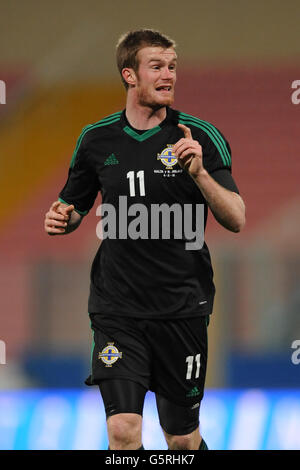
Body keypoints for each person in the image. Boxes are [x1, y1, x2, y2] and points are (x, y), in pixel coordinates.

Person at [44, 29, 245, 451]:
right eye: (157, 66)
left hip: (181, 309)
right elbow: (73, 206)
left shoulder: (199, 137)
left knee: (182, 440)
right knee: (123, 431)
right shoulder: (96, 140)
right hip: (117, 311)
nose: (168, 75)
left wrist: (200, 174)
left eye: (172, 67)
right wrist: (62, 218)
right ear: (129, 75)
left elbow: (237, 219)